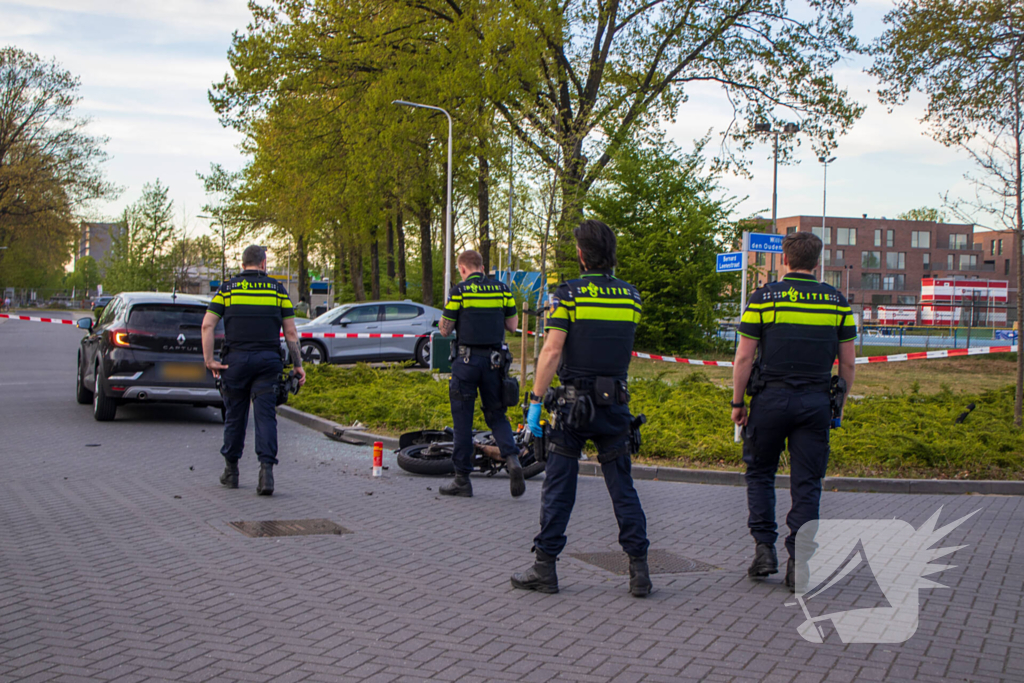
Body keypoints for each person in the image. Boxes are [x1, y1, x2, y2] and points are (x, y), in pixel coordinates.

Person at [512, 219, 651, 597]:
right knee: (622, 486)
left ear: (580, 255)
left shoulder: (568, 295)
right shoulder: (632, 297)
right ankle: (639, 570)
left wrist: (536, 405)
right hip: (615, 404)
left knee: (559, 486)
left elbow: (552, 349)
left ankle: (545, 568)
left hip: (573, 405)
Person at [731, 231, 856, 591]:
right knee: (807, 482)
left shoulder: (764, 297)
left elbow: (744, 356)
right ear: (817, 262)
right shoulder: (836, 301)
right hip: (816, 402)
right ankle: (798, 562)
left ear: (785, 259)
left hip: (770, 400)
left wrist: (738, 403)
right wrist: (839, 406)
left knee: (760, 474)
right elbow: (847, 365)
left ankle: (764, 550)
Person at [201, 245, 306, 496]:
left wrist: (209, 361)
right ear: (263, 263)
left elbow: (207, 325)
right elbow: (290, 332)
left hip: (235, 362)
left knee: (235, 417)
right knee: (265, 417)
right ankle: (266, 473)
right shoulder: (277, 290)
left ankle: (231, 471)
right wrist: (298, 365)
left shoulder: (227, 290)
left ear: (243, 263)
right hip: (268, 362)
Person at [437, 250, 523, 498]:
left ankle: (462, 480)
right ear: (483, 267)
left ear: (462, 269)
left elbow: (445, 330)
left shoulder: (459, 292)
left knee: (462, 421)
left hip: (465, 363)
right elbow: (513, 326)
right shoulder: (502, 289)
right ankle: (512, 458)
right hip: (494, 363)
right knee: (496, 414)